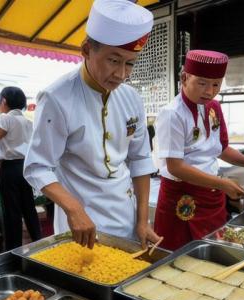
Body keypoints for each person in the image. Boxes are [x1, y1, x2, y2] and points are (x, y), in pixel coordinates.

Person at [24, 0, 161, 250]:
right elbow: (37, 166)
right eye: (113, 60)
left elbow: (140, 160)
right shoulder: (57, 97)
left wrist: (143, 221)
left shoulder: (131, 98)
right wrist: (74, 208)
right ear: (86, 49)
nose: (121, 74)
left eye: (130, 63)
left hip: (126, 219)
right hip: (81, 226)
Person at [154, 49, 244, 250]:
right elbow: (175, 167)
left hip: (211, 197)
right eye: (202, 83)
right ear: (184, 78)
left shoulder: (213, 107)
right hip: (181, 197)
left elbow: (220, 149)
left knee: (214, 253)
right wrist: (222, 183)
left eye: (216, 84)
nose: (209, 91)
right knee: (180, 255)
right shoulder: (172, 114)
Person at [0, 87, 41, 251]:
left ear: (4, 101)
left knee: (11, 213)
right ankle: (40, 244)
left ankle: (13, 252)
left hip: (9, 169)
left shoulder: (4, 119)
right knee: (29, 209)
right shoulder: (28, 122)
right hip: (25, 167)